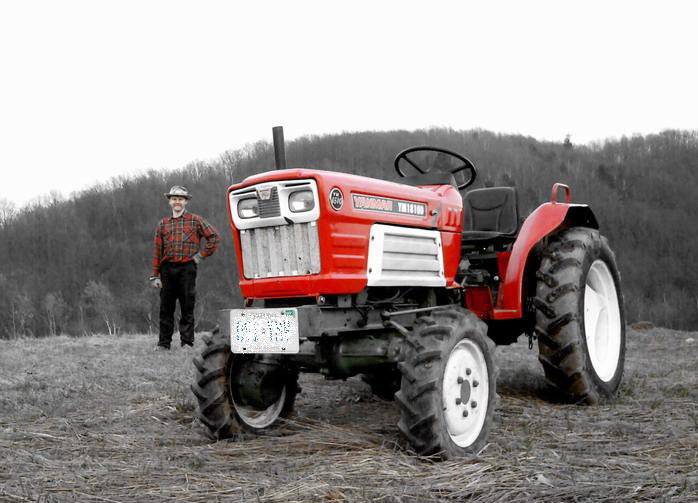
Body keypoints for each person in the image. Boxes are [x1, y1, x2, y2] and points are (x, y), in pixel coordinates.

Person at [150, 186, 220, 350]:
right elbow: (157, 251)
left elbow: (214, 237)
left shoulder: (196, 220)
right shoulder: (162, 224)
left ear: (186, 201)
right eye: (174, 199)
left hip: (187, 268)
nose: (177, 202)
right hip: (167, 269)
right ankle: (164, 344)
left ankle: (187, 343)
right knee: (166, 308)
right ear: (169, 201)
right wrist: (155, 275)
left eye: (180, 199)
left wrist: (201, 256)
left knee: (187, 306)